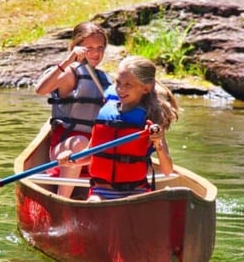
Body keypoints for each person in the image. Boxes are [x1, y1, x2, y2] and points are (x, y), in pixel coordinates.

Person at [57, 55, 179, 201]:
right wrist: (70, 159)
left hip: (135, 191)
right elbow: (89, 156)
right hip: (101, 191)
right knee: (94, 203)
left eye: (128, 85)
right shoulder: (106, 114)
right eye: (118, 82)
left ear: (146, 88)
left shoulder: (151, 121)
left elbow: (167, 170)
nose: (120, 89)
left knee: (134, 205)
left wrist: (158, 143)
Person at [35, 21, 114, 198]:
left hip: (94, 151)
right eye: (89, 47)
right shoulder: (71, 72)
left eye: (100, 47)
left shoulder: (105, 79)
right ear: (76, 47)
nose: (95, 53)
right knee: (79, 143)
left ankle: (114, 198)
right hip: (65, 151)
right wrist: (69, 60)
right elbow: (40, 90)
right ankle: (63, 200)